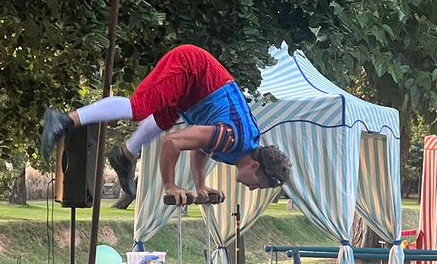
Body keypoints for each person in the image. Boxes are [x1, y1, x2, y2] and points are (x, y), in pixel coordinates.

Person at [41, 44, 291, 205]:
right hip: (192, 69)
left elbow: (202, 146)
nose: (253, 188)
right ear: (255, 165)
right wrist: (170, 185)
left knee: (164, 119)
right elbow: (171, 143)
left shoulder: (241, 149)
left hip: (193, 95)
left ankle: (125, 155)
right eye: (259, 183)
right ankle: (66, 119)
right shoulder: (232, 138)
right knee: (139, 107)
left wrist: (200, 185)